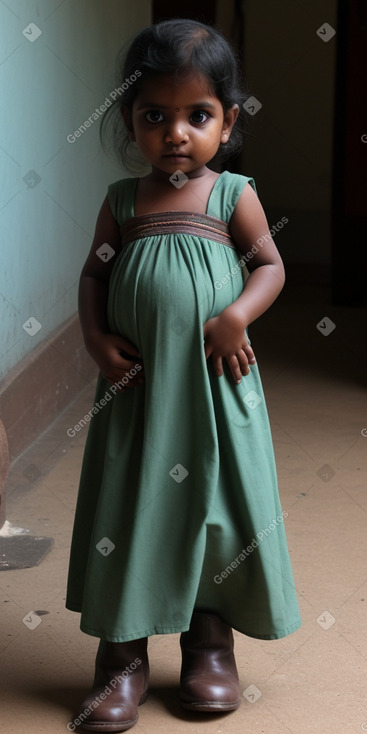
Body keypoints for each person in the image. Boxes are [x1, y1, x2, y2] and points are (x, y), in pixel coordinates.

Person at [66, 18, 301, 733]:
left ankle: (208, 643)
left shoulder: (233, 196)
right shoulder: (123, 203)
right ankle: (122, 658)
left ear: (227, 121)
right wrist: (97, 339)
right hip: (138, 398)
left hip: (213, 391)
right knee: (130, 511)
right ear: (129, 123)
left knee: (217, 508)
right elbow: (92, 277)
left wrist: (236, 317)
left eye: (196, 115)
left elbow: (269, 265)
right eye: (153, 116)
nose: (175, 133)